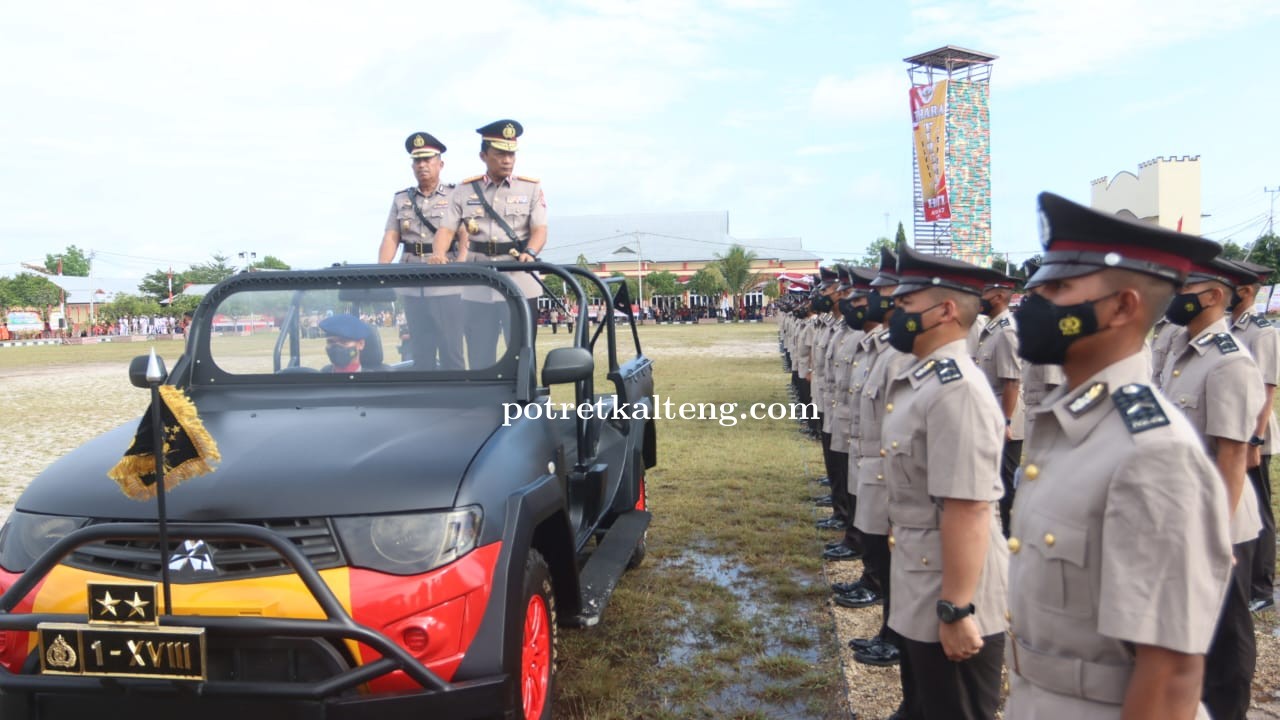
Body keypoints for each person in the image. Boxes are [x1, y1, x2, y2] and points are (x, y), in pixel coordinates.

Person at [1006, 191, 1234, 719]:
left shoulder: (1153, 453)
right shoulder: (1071, 425)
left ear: (1122, 306)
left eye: (1060, 286)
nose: (1034, 301)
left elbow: (1171, 674)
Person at [882, 244, 1009, 720]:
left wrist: (957, 608)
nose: (895, 314)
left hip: (953, 587)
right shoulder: (927, 380)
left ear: (946, 311)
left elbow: (969, 508)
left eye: (905, 306)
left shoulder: (957, 390)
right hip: (925, 576)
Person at [1158, 256, 1263, 720]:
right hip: (1178, 517)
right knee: (1188, 631)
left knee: (1224, 639)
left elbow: (1234, 455)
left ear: (1215, 295)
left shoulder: (1229, 362)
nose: (1174, 294)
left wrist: (1215, 540)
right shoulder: (1179, 347)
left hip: (1218, 525)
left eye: (1185, 286)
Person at [843, 250, 913, 700]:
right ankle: (891, 630)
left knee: (896, 566)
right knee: (881, 559)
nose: (861, 302)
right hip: (872, 465)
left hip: (891, 478)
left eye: (874, 294)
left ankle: (895, 635)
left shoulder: (896, 356)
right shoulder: (879, 349)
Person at [432, 119, 547, 368]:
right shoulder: (463, 191)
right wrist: (439, 253)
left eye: (511, 154)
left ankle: (524, 404)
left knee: (522, 353)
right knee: (479, 354)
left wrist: (530, 252)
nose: (507, 160)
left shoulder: (530, 188)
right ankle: (482, 406)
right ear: (484, 155)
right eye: (500, 153)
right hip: (479, 282)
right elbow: (445, 229)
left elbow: (540, 229)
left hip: (519, 277)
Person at [377, 131, 465, 370]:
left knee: (451, 350)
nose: (422, 165)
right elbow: (391, 236)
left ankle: (457, 403)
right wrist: (381, 271)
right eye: (417, 161)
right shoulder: (402, 199)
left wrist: (463, 270)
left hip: (446, 280)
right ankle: (427, 402)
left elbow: (465, 237)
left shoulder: (457, 195)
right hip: (412, 279)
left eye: (428, 160)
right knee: (420, 350)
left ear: (440, 163)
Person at [1226, 259, 1279, 613]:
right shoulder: (1229, 326)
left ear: (1245, 290)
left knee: (1258, 509)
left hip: (1254, 435)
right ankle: (1240, 578)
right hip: (1231, 429)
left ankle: (1262, 585)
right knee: (1239, 507)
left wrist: (1254, 440)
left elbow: (1267, 387)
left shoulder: (1261, 331)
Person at [975, 273, 1024, 537]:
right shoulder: (992, 328)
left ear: (998, 296)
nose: (978, 298)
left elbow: (1012, 382)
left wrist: (1005, 421)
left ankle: (1010, 540)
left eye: (983, 292)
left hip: (1004, 421)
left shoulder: (1006, 331)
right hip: (991, 417)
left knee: (1006, 485)